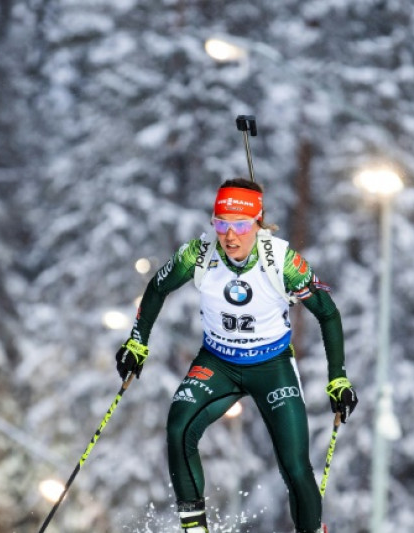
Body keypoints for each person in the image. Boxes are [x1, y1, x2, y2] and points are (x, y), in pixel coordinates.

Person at [115, 178, 358, 533]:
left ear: (258, 224)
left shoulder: (282, 261)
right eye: (221, 223)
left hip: (271, 366)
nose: (230, 236)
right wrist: (137, 342)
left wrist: (337, 378)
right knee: (179, 429)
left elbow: (328, 313)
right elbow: (157, 287)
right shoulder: (198, 254)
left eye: (241, 225)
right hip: (218, 363)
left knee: (294, 465)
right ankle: (195, 529)